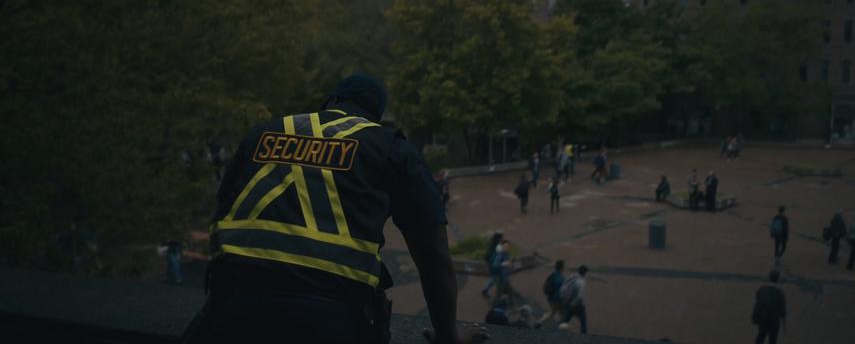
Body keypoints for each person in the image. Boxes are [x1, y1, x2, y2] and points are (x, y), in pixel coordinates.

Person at [187, 75, 487, 344]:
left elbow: (222, 207)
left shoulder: (261, 134)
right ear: (375, 116)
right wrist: (448, 335)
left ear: (331, 102)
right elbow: (434, 257)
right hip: (332, 319)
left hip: (229, 310)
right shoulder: (391, 148)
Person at [752, 271, 786, 344]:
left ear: (769, 278)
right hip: (773, 319)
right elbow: (782, 310)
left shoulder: (762, 289)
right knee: (773, 338)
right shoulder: (779, 293)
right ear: (778, 280)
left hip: (762, 317)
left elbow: (757, 298)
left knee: (761, 335)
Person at [558, 265, 589, 334]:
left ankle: (557, 329)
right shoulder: (581, 282)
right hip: (577, 305)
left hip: (567, 301)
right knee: (583, 320)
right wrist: (574, 303)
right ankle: (584, 335)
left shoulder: (572, 277)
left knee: (567, 317)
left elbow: (564, 285)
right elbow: (579, 296)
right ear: (585, 273)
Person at [535, 260, 566, 328]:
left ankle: (539, 322)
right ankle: (559, 329)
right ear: (562, 268)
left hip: (550, 298)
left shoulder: (553, 274)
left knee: (552, 312)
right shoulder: (561, 278)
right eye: (564, 267)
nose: (564, 268)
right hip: (557, 300)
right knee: (564, 315)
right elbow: (561, 292)